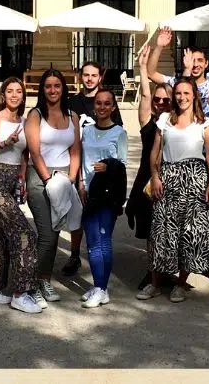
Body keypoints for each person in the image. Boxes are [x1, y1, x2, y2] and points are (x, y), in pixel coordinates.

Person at [137, 78, 209, 303]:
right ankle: (155, 283)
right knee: (161, 232)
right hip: (168, 178)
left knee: (189, 233)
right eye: (179, 93)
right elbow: (155, 152)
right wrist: (155, 177)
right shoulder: (165, 120)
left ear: (194, 95)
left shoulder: (206, 123)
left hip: (195, 180)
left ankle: (180, 284)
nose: (182, 97)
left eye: (186, 93)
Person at [0, 77, 42, 314]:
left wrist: (22, 177)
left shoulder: (23, 122)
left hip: (13, 181)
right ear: (3, 95)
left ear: (23, 96)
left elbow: (23, 154)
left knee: (0, 234)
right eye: (10, 91)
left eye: (18, 91)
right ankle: (21, 293)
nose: (14, 95)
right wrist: (3, 143)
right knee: (25, 234)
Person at [25, 68, 82, 307]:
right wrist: (48, 179)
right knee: (47, 233)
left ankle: (43, 280)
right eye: (48, 86)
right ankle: (31, 285)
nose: (52, 90)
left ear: (63, 88)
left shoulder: (72, 116)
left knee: (55, 232)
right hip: (40, 177)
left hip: (64, 177)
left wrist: (71, 178)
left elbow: (75, 150)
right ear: (42, 89)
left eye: (57, 85)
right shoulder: (35, 115)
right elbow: (34, 151)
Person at [64, 61, 123, 276]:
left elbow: (117, 134)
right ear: (81, 77)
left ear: (100, 77)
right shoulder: (72, 102)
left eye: (94, 75)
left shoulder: (106, 100)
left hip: (101, 170)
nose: (89, 78)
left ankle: (99, 255)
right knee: (77, 213)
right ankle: (74, 254)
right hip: (77, 162)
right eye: (86, 75)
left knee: (100, 216)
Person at [124, 45, 175, 288]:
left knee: (170, 228)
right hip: (147, 178)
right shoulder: (148, 121)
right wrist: (143, 68)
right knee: (152, 228)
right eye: (158, 99)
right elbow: (144, 95)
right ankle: (154, 269)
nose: (161, 103)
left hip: (171, 178)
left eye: (166, 100)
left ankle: (168, 270)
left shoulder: (176, 122)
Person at [78, 88, 128, 308]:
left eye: (107, 103)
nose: (102, 107)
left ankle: (100, 287)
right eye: (98, 103)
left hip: (107, 194)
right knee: (91, 241)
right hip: (89, 192)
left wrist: (108, 167)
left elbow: (122, 165)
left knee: (103, 240)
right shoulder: (87, 131)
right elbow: (81, 159)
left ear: (113, 107)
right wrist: (81, 184)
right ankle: (100, 288)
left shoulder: (119, 132)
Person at [145, 24, 209, 113]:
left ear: (206, 63)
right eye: (192, 60)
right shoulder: (176, 82)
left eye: (200, 60)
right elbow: (150, 73)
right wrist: (159, 47)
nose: (195, 64)